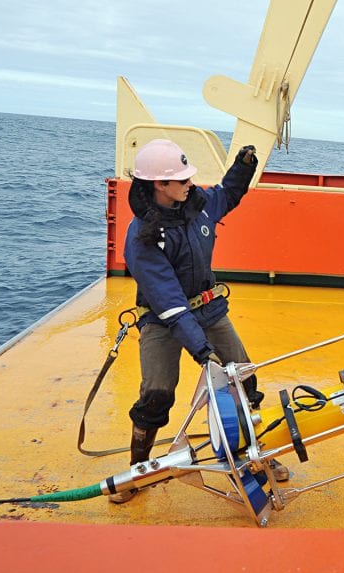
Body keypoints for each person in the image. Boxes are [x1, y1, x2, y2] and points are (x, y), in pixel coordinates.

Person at [110, 139, 288, 503]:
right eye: (182, 179)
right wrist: (203, 353)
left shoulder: (199, 205)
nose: (190, 183)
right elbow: (171, 305)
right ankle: (137, 471)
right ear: (159, 185)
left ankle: (254, 456)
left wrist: (244, 164)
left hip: (208, 309)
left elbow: (230, 193)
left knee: (244, 378)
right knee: (157, 392)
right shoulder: (143, 239)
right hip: (162, 319)